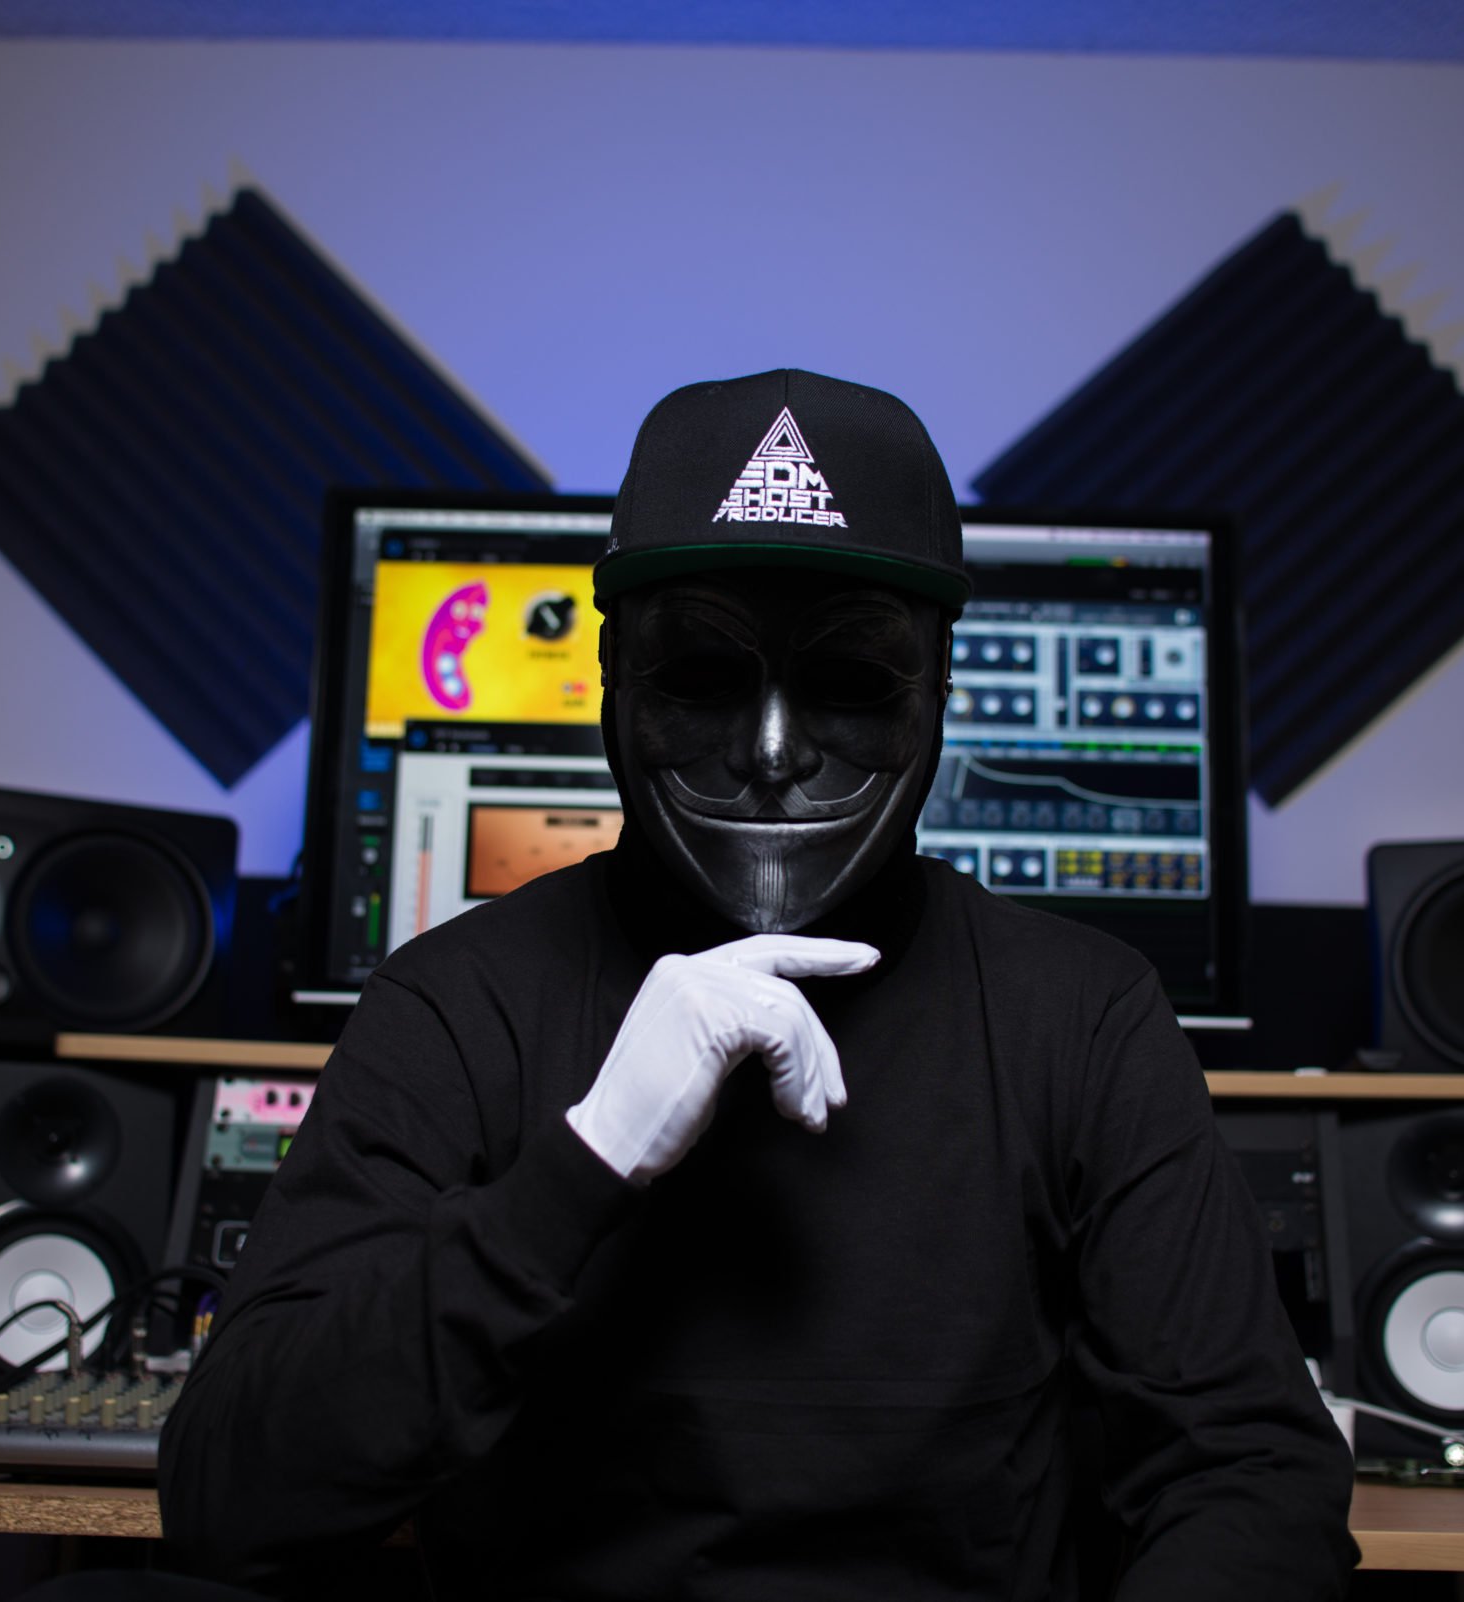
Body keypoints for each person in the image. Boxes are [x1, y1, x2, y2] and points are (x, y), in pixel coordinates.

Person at [159, 370, 1358, 1599]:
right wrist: (583, 1165)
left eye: (850, 681)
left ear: (940, 688)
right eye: (701, 676)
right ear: (611, 676)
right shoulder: (459, 1007)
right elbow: (227, 1504)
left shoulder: (1083, 1019)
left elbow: (1254, 1475)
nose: (773, 753)